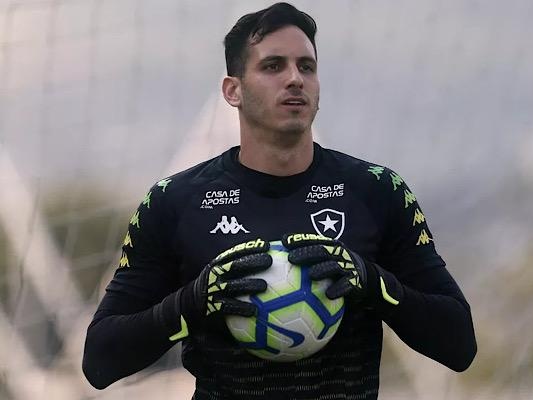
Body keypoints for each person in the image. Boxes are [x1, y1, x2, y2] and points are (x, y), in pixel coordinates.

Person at [82, 3, 477, 399]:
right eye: (273, 66)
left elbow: (459, 344)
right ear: (233, 90)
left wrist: (373, 284)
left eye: (307, 67)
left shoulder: (377, 190)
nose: (294, 79)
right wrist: (192, 303)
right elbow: (100, 361)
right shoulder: (175, 202)